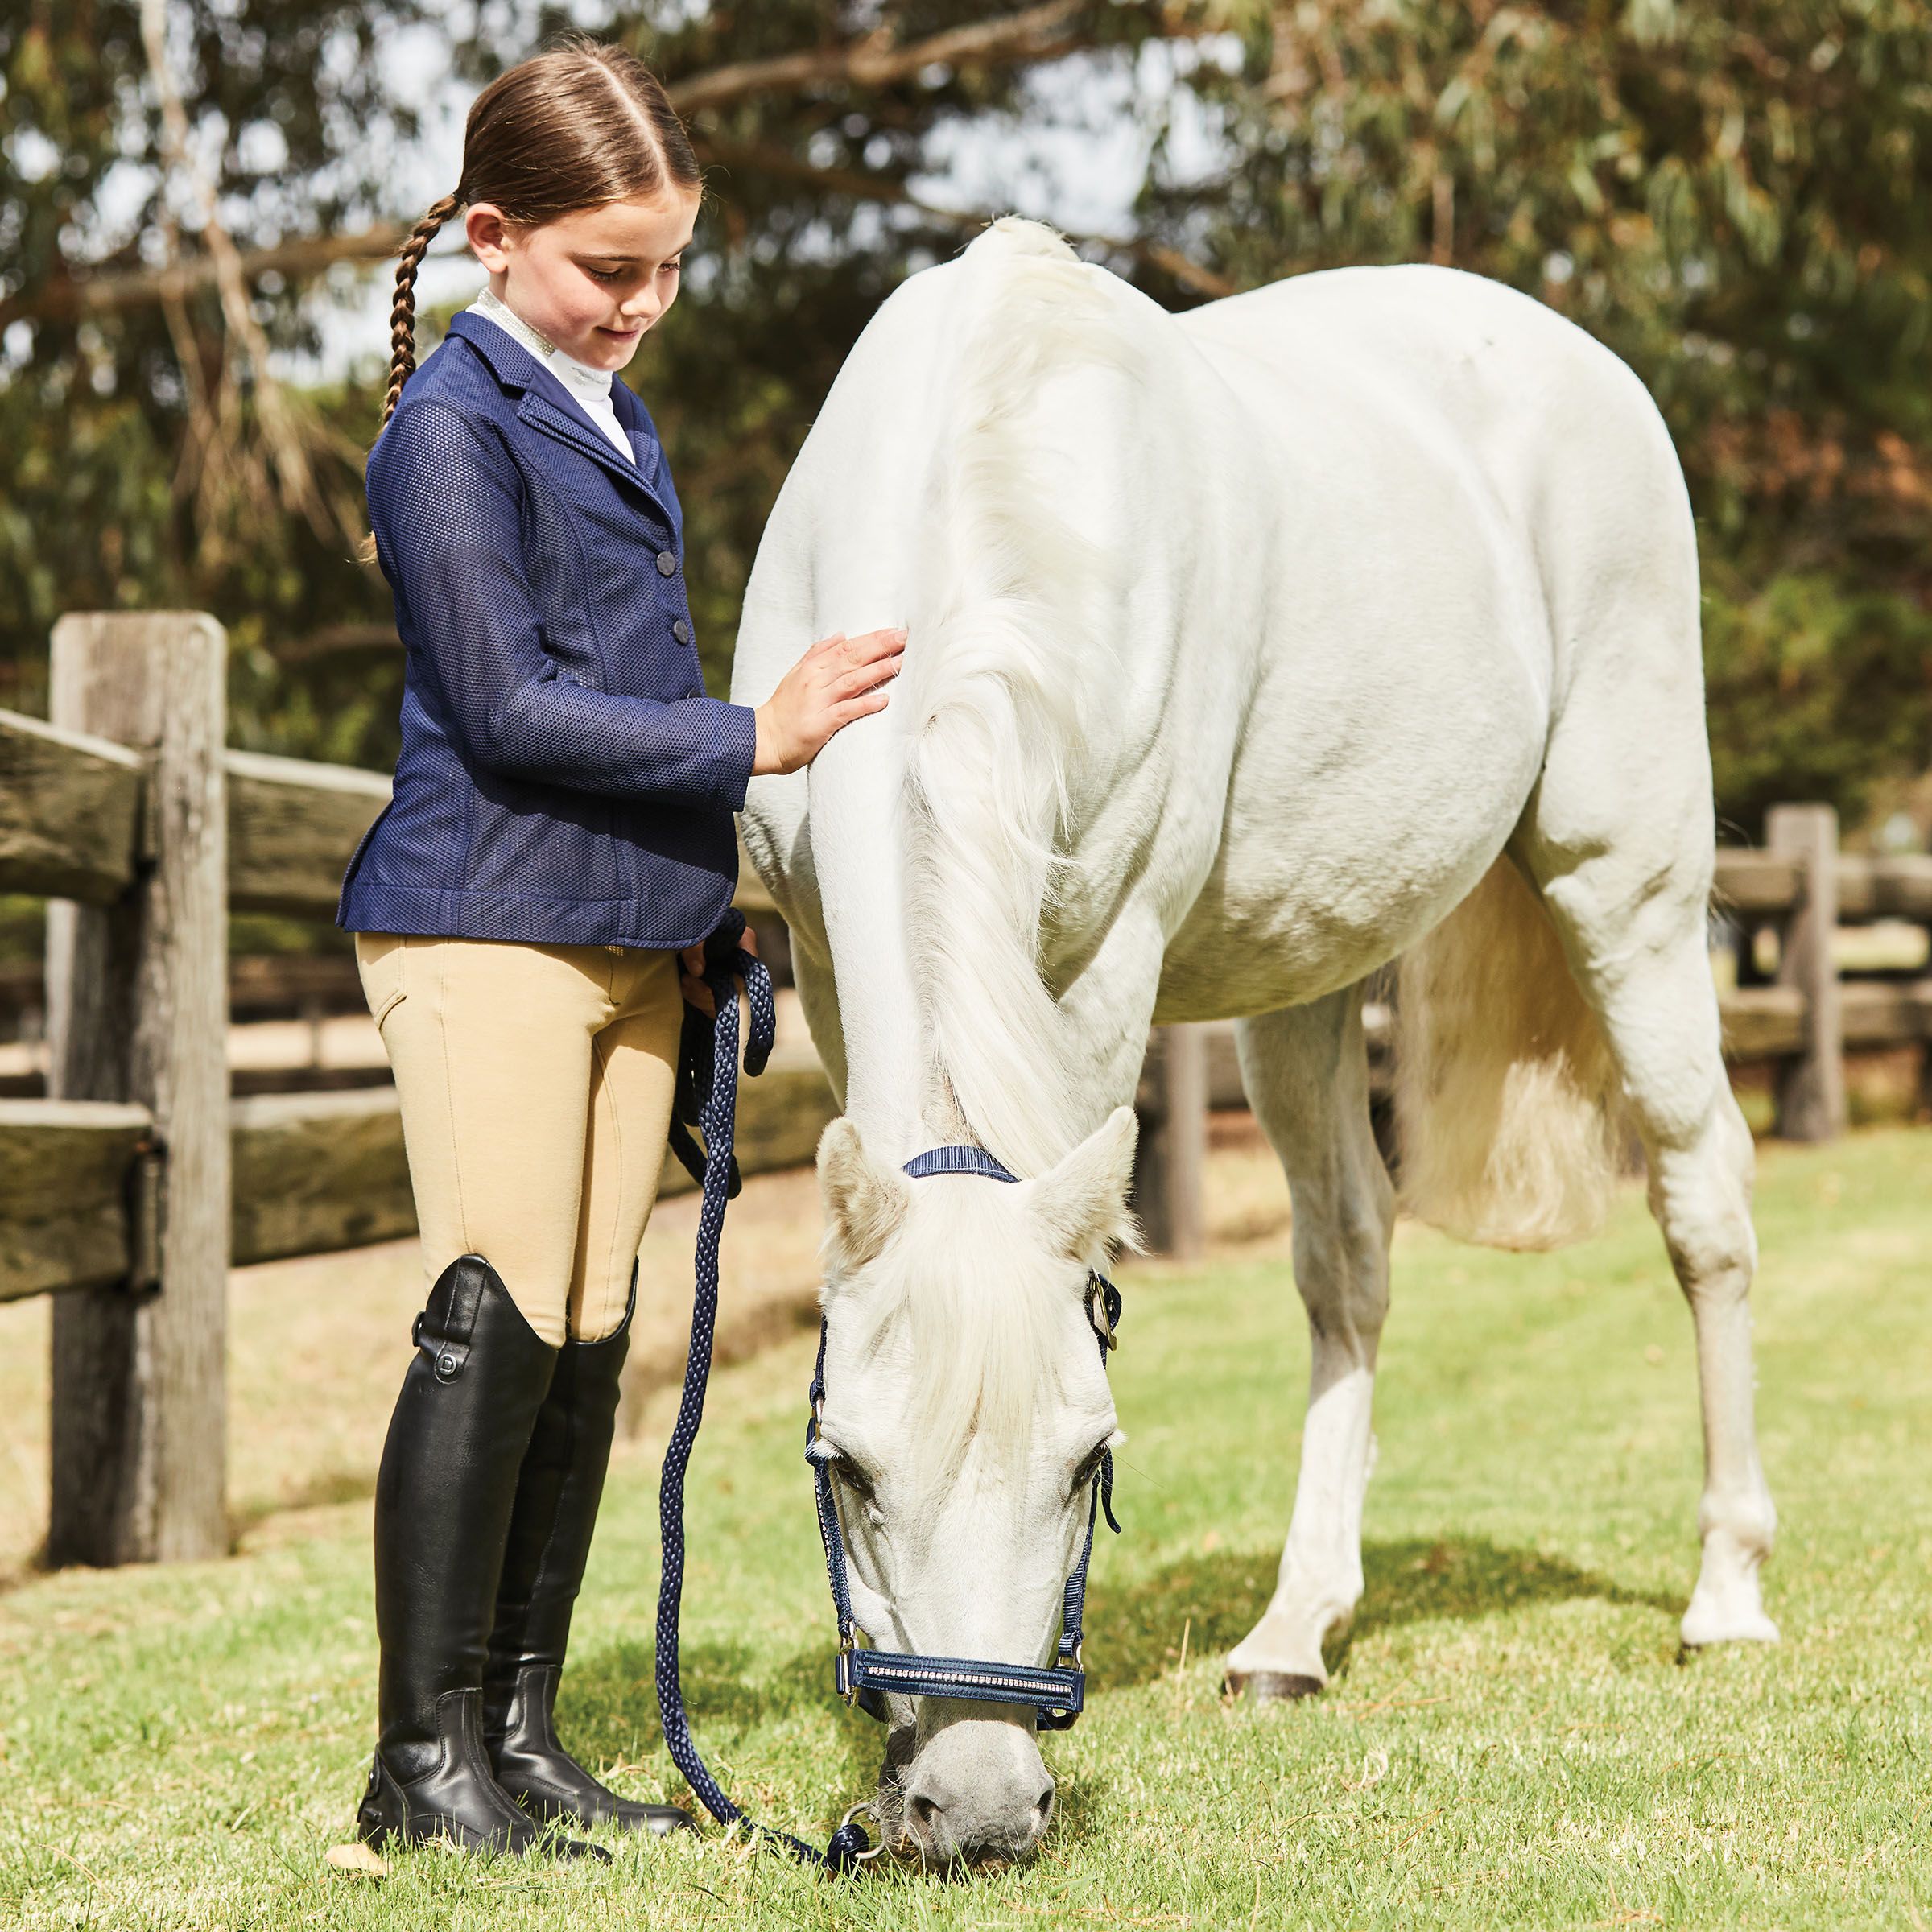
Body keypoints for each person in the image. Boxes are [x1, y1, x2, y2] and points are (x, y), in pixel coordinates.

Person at [336, 35, 904, 1861]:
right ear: (496, 238)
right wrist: (762, 736)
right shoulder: (445, 433)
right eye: (610, 270)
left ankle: (518, 1736)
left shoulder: (614, 418)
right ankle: (419, 1770)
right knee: (490, 1321)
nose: (645, 306)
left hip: (627, 934)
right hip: (482, 919)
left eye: (670, 268)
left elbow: (625, 686)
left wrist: (711, 916)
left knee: (587, 1339)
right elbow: (508, 705)